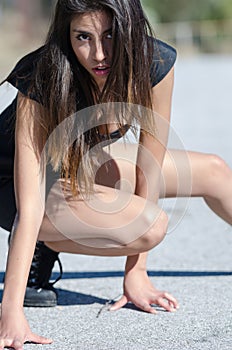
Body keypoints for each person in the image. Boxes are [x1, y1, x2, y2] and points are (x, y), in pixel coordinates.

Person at [0, 0, 232, 348]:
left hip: (79, 165)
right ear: (66, 35)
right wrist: (11, 311)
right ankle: (41, 246)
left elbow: (149, 166)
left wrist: (136, 273)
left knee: (212, 170)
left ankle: (52, 236)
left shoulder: (155, 64)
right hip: (16, 186)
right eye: (83, 37)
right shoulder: (41, 76)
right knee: (148, 226)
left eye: (110, 36)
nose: (98, 54)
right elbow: (30, 204)